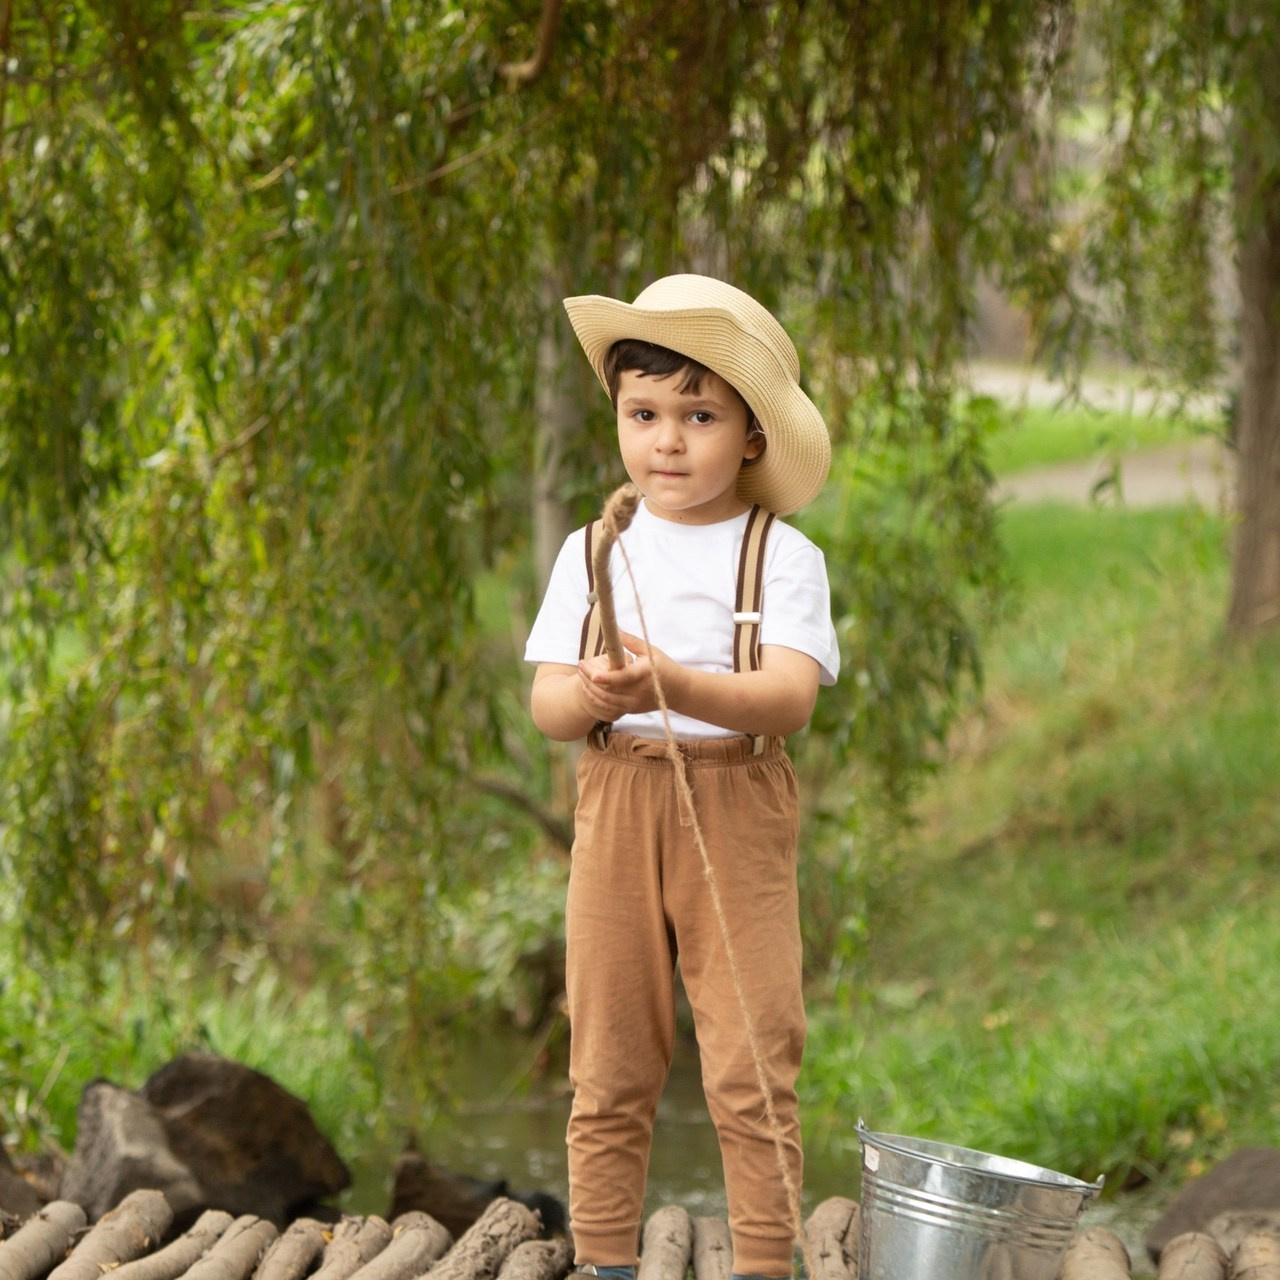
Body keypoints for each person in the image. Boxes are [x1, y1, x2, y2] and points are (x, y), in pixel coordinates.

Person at [524, 274, 840, 1280]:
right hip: (616, 797)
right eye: (643, 413)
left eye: (697, 415)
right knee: (608, 1058)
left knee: (751, 1056)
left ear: (749, 434)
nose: (666, 438)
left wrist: (676, 679)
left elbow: (786, 697)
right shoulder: (592, 549)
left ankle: (761, 1261)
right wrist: (597, 695)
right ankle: (606, 1259)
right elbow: (547, 705)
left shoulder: (779, 555)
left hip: (735, 803)